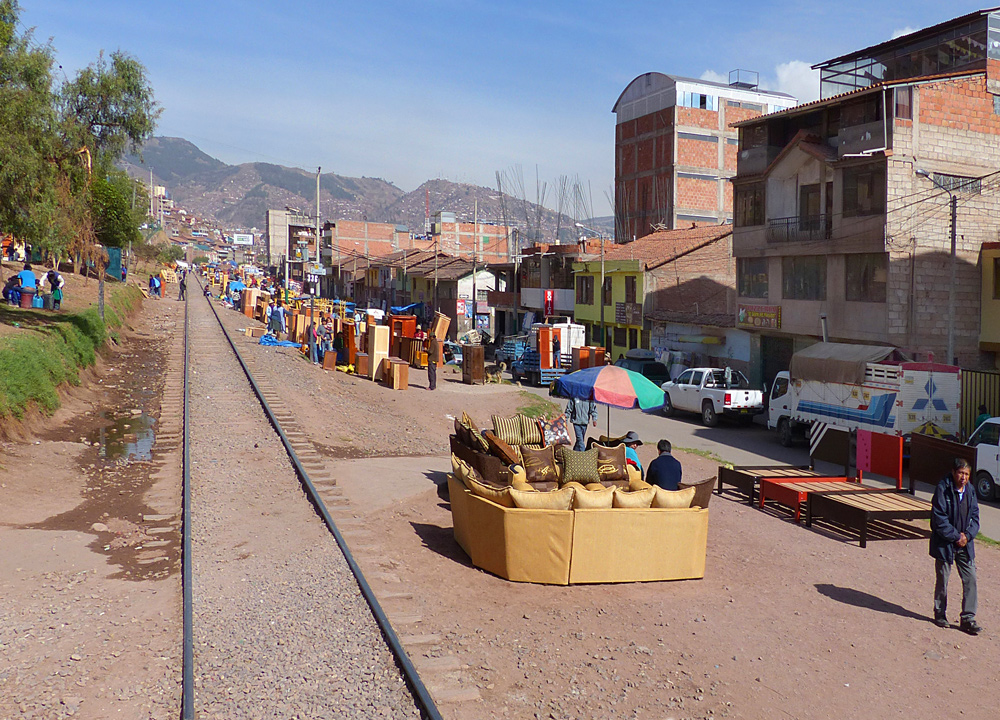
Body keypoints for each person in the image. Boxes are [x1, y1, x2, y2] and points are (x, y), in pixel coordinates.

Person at [931, 458, 981, 635]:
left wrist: (967, 536)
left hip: (965, 544)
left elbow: (975, 517)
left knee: (971, 579)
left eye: (967, 474)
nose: (964, 477)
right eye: (961, 473)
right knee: (943, 579)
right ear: (953, 472)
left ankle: (968, 618)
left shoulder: (970, 491)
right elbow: (939, 519)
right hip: (945, 543)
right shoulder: (943, 489)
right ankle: (940, 613)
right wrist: (955, 536)